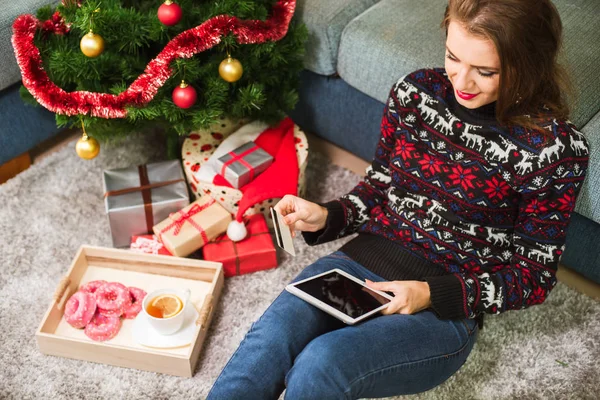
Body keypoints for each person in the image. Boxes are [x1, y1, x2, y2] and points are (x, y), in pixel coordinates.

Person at [207, 0, 590, 398]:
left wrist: (429, 294)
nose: (462, 81)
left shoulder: (555, 151)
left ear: (528, 65)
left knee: (323, 362)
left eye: (486, 71)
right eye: (453, 57)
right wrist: (325, 215)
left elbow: (533, 277)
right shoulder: (415, 94)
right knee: (268, 342)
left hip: (439, 310)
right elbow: (378, 191)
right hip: (354, 265)